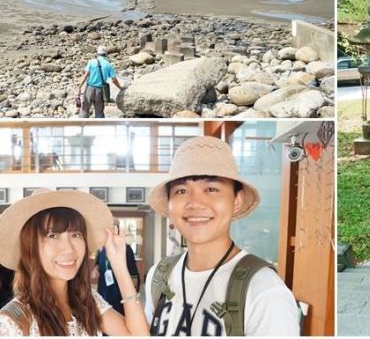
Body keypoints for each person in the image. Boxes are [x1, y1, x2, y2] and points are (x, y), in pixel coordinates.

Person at [144, 136, 300, 336]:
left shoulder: (264, 290)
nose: (195, 203)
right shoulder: (159, 275)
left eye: (211, 189)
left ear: (237, 200)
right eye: (181, 190)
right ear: (170, 204)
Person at [0, 189, 149, 336]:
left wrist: (118, 264)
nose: (69, 248)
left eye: (76, 234)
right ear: (30, 248)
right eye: (52, 235)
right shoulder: (12, 323)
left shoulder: (87, 302)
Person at [94, 220, 140, 315]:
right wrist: (95, 271)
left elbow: (134, 274)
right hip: (104, 291)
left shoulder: (125, 249)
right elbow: (97, 265)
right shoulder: (101, 249)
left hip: (120, 292)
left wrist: (133, 297)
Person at [77, 45, 123, 118]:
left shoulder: (91, 62)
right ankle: (100, 127)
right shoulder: (108, 65)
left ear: (97, 53)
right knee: (99, 111)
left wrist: (79, 86)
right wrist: (120, 87)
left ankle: (81, 126)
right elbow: (113, 79)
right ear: (106, 54)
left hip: (89, 88)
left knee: (85, 109)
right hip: (100, 91)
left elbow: (85, 75)